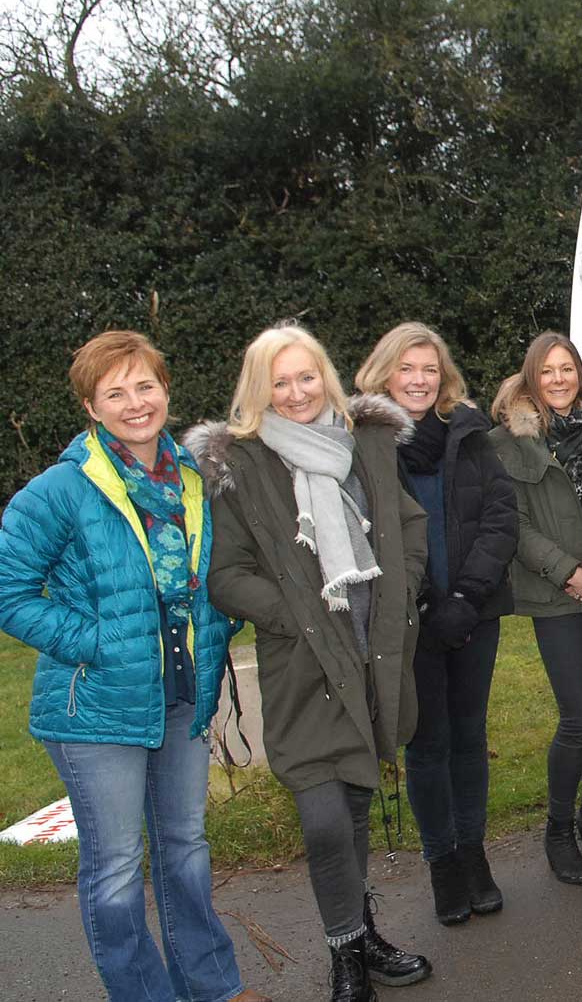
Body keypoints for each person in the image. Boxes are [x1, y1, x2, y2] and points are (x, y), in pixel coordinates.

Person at [0, 332, 266, 1002]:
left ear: (166, 390)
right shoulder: (59, 490)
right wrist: (98, 642)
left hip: (182, 697)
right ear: (91, 406)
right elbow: (10, 592)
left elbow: (216, 577)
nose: (134, 401)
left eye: (144, 385)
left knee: (186, 849)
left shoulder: (200, 477)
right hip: (95, 708)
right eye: (114, 392)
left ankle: (214, 985)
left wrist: (217, 626)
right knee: (116, 868)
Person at [186, 324, 432, 1002]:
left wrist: (403, 583)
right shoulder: (240, 463)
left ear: (326, 374)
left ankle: (362, 934)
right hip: (303, 665)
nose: (295, 393)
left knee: (354, 804)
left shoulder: (366, 442)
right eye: (279, 382)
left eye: (306, 376)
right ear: (258, 390)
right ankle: (344, 954)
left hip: (372, 653)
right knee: (324, 816)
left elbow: (408, 524)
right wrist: (296, 610)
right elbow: (225, 574)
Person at [355, 322, 517, 925]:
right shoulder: (363, 443)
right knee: (428, 744)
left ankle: (475, 857)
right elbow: (367, 532)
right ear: (384, 374)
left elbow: (501, 516)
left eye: (429, 369)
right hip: (409, 620)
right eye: (407, 369)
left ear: (443, 376)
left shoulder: (469, 434)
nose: (419, 380)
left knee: (470, 738)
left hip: (474, 612)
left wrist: (466, 599)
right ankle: (442, 864)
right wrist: (425, 604)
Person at [487, 332, 582, 886]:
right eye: (546, 370)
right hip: (555, 593)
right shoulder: (506, 443)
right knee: (578, 715)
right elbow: (512, 523)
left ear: (580, 373)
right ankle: (559, 830)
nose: (558, 379)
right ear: (531, 377)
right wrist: (570, 572)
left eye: (566, 367)